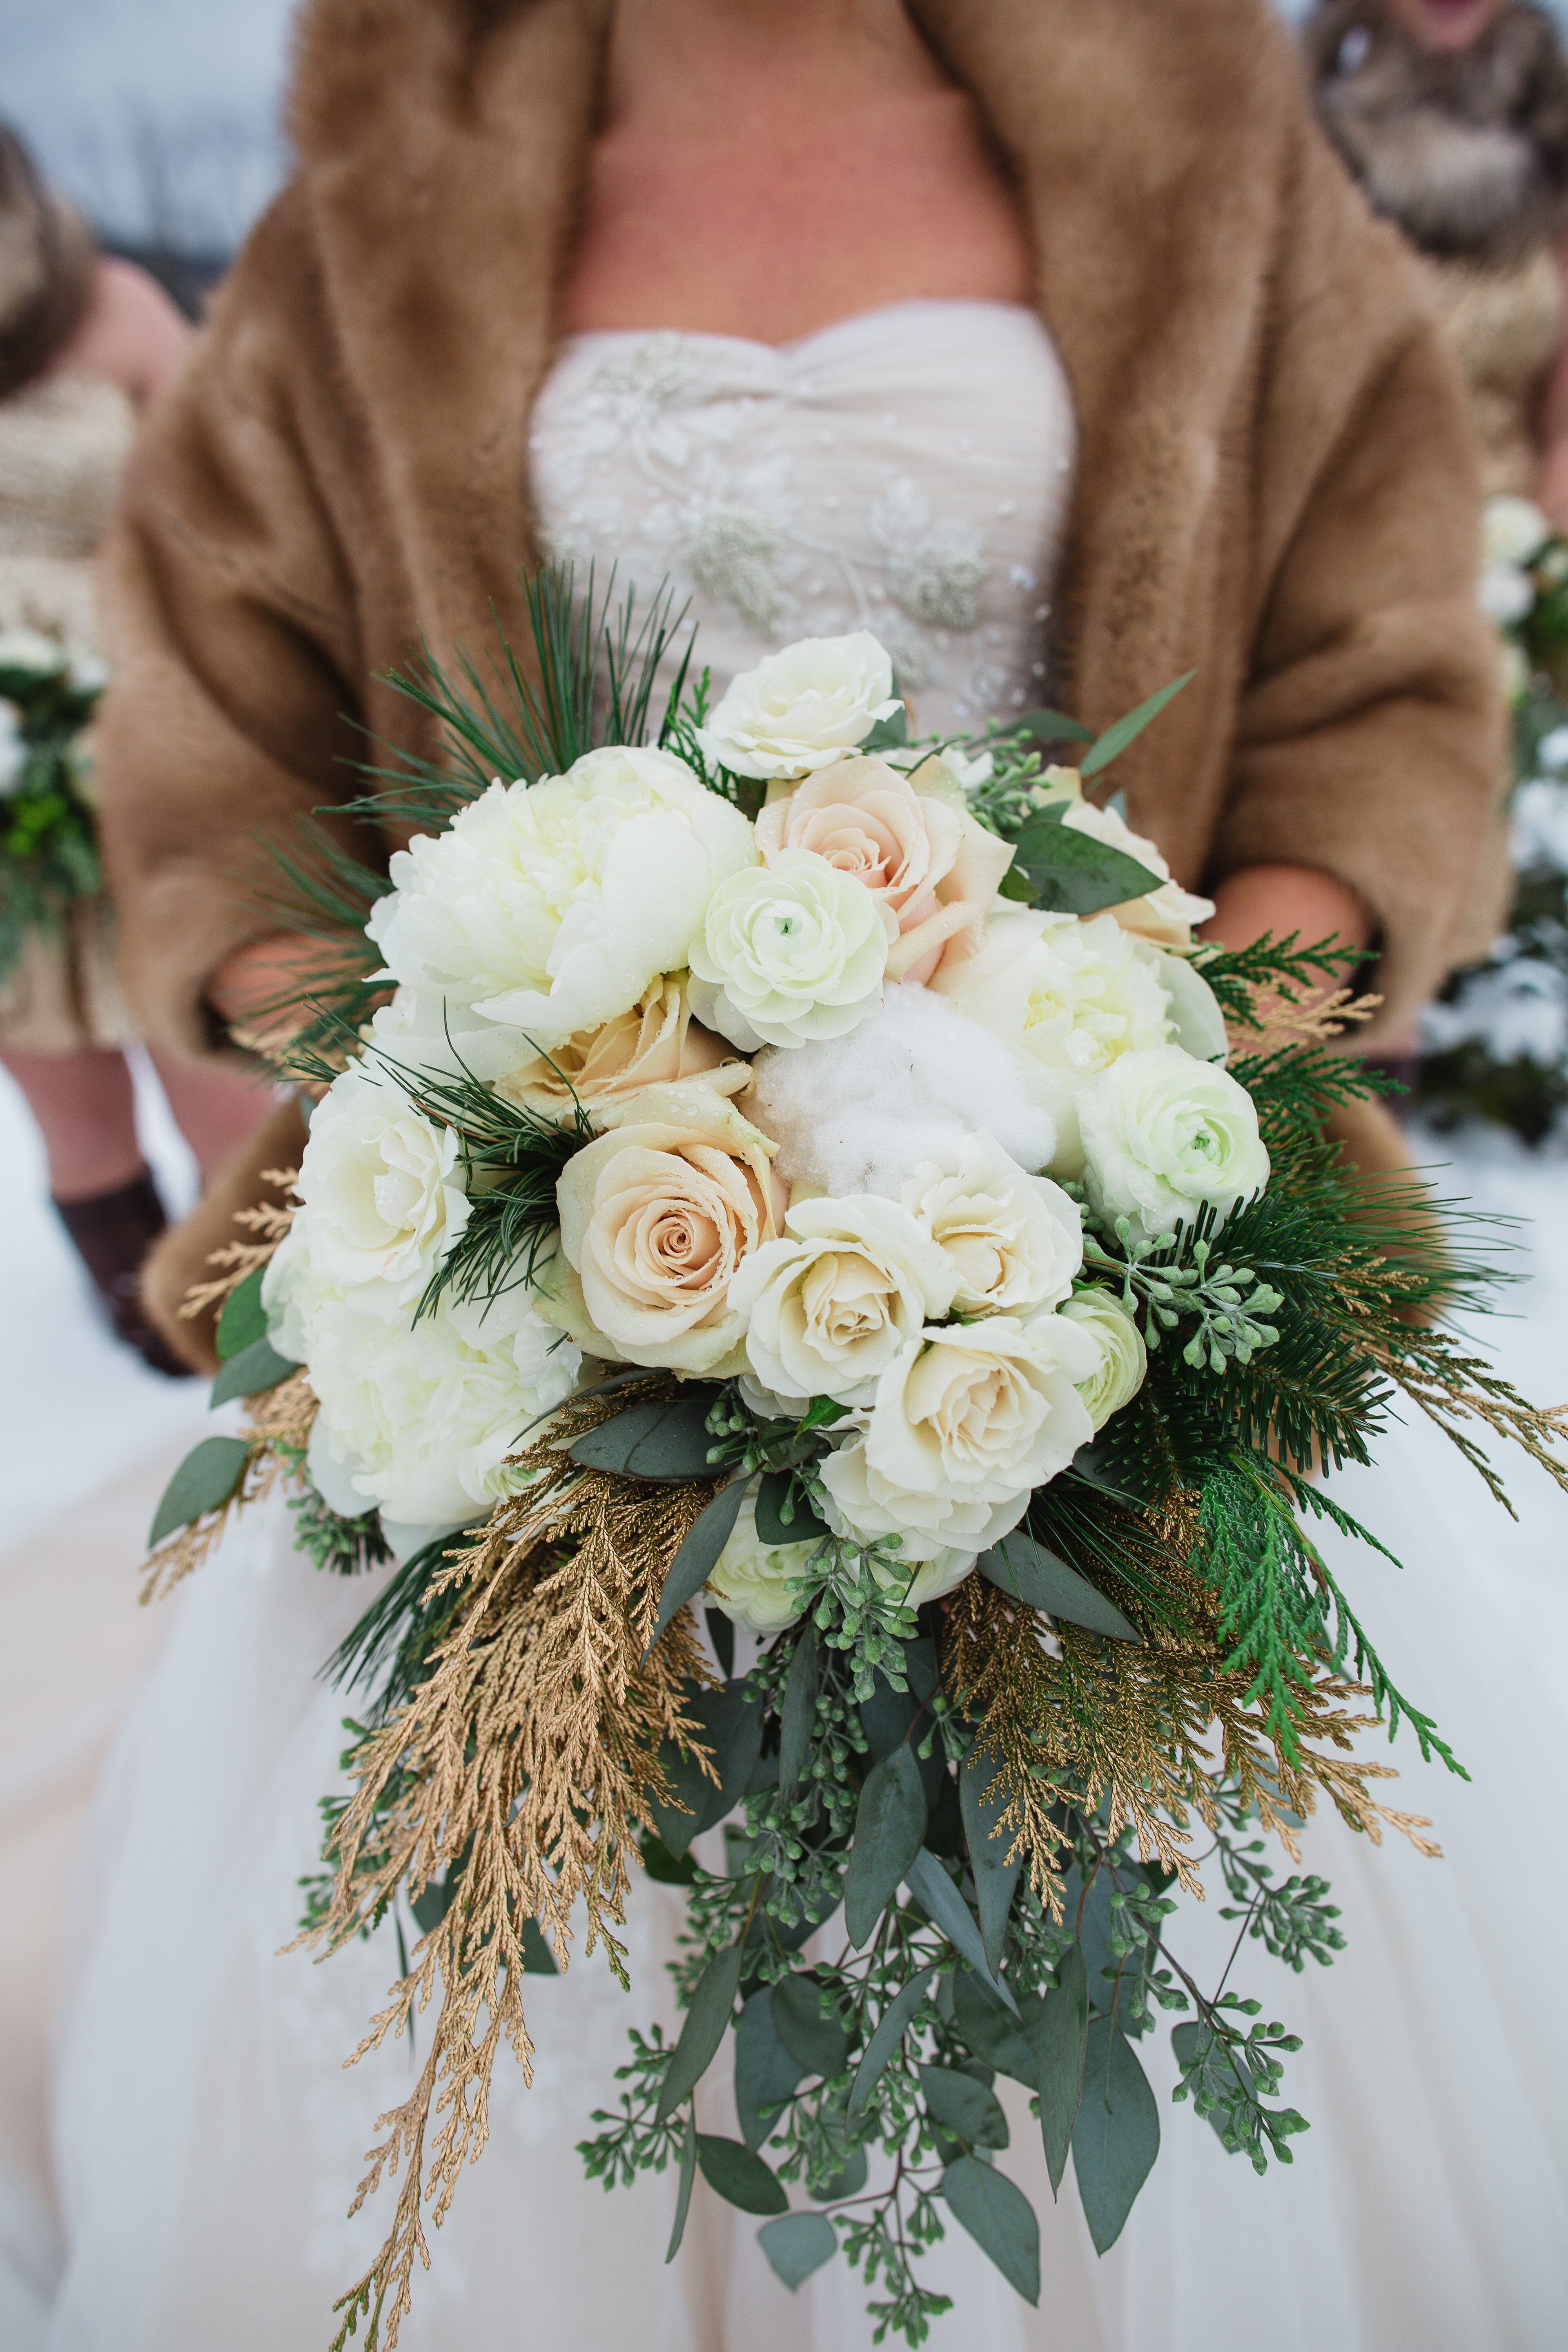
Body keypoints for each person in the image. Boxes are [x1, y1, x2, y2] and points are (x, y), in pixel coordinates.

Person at [42, 2, 1540, 2348]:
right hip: (536, 1334)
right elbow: (221, 740)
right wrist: (469, 1092)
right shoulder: (385, 161)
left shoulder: (1197, 118)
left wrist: (1123, 1086)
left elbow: (1378, 703)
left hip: (1094, 1318)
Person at [0, 127, 273, 1375]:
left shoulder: (101, 301)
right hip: (10, 782)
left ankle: (277, 1319)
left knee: (211, 1055)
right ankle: (148, 1328)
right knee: (58, 1067)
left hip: (139, 733)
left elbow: (222, 490)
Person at [1306, 0, 1568, 510]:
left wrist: (1540, 568)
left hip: (1513, 553)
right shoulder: (1303, 147)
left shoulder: (1555, 147)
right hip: (1346, 544)